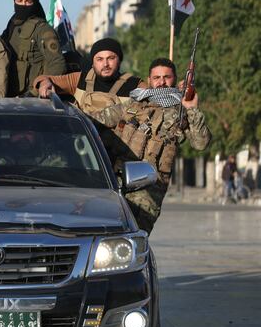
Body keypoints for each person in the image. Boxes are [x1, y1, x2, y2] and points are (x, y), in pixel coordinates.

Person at [87, 57, 211, 233]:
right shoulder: (134, 104)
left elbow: (201, 143)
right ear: (149, 79)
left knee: (137, 235)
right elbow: (94, 121)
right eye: (157, 78)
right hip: (117, 181)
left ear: (174, 79)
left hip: (149, 189)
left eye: (166, 77)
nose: (161, 82)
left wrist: (192, 108)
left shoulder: (180, 111)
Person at [34, 38, 144, 114]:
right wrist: (45, 84)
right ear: (93, 63)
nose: (105, 64)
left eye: (111, 58)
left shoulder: (134, 85)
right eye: (99, 59)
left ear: (119, 60)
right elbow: (43, 78)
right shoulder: (80, 80)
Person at [1, 0, 65, 96]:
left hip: (31, 97)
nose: (23, 5)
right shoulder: (12, 25)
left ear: (34, 3)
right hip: (9, 92)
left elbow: (57, 63)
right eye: (19, 1)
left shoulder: (43, 30)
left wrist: (37, 91)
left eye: (28, 1)